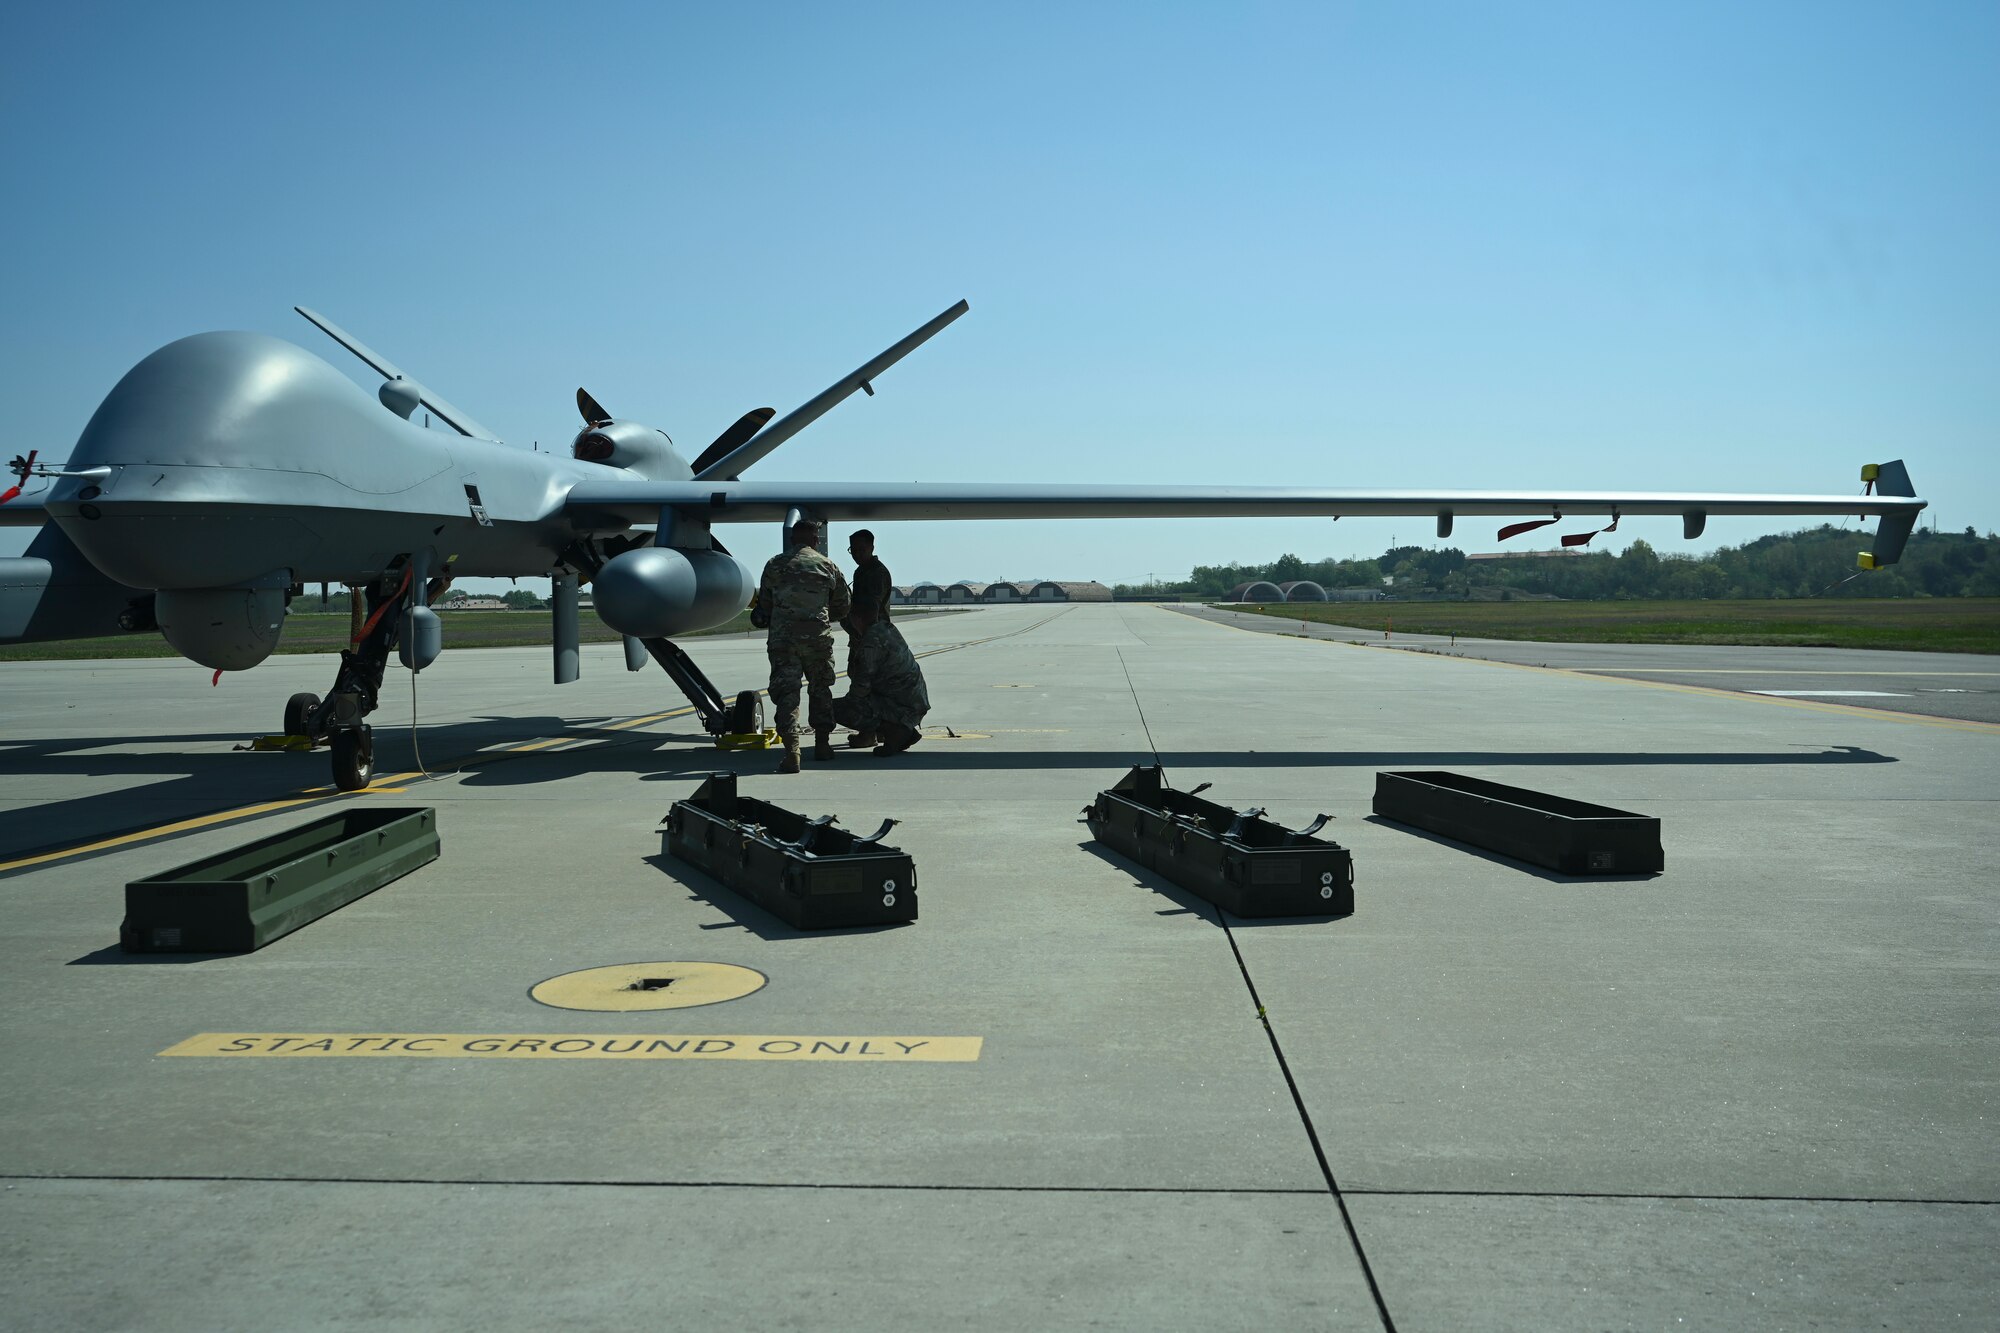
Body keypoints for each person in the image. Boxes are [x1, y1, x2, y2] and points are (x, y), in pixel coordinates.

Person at [756, 518, 850, 773]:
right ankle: (822, 745)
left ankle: (792, 753)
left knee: (787, 695)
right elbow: (842, 604)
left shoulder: (774, 565)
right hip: (817, 639)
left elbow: (765, 603)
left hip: (783, 641)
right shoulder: (826, 565)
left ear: (792, 539)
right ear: (813, 539)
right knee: (820, 690)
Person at [834, 601, 929, 756]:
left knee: (830, 708)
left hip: (902, 707)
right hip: (914, 701)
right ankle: (905, 731)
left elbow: (861, 688)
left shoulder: (870, 642)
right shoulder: (887, 629)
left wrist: (845, 704)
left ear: (856, 619)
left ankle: (895, 731)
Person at [842, 528, 895, 746]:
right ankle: (883, 730)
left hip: (870, 638)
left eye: (861, 550)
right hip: (869, 636)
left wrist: (863, 638)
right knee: (877, 685)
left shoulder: (874, 573)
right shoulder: (862, 571)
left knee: (864, 684)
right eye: (852, 550)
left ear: (872, 548)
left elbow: (871, 609)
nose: (856, 554)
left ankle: (868, 733)